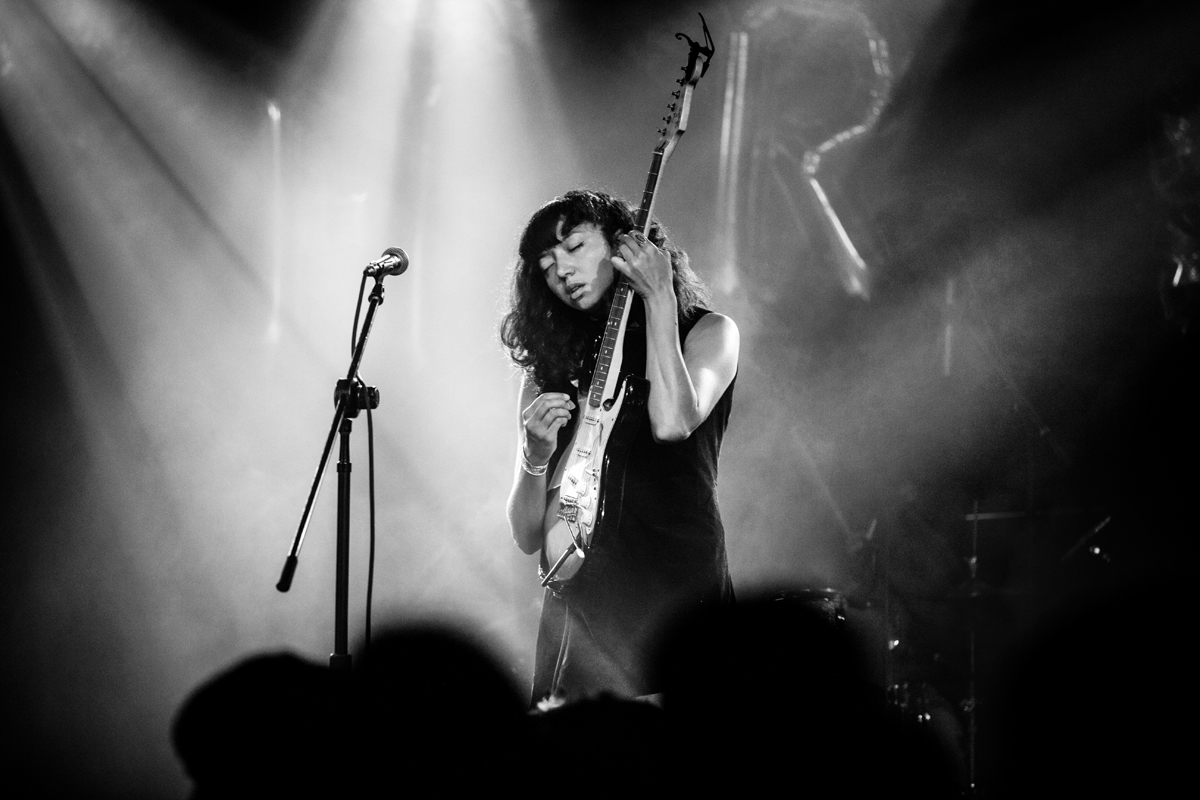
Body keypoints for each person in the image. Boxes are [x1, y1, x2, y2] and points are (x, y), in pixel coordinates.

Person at [500, 189, 739, 705]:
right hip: (581, 608)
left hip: (675, 589)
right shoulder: (547, 369)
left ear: (622, 244)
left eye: (574, 247)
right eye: (546, 267)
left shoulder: (710, 332)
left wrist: (659, 297)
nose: (562, 271)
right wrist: (534, 457)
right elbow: (525, 535)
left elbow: (673, 422)